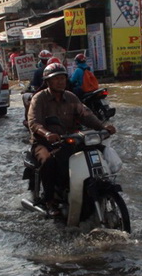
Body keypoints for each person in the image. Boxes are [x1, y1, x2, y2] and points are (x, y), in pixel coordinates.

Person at [27, 62, 116, 216]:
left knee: (96, 152)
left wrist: (103, 127)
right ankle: (49, 201)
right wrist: (47, 133)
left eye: (62, 78)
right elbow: (34, 122)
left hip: (69, 139)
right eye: (56, 79)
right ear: (48, 81)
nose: (60, 81)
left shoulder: (71, 97)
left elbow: (86, 115)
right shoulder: (39, 98)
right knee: (48, 160)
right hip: (44, 142)